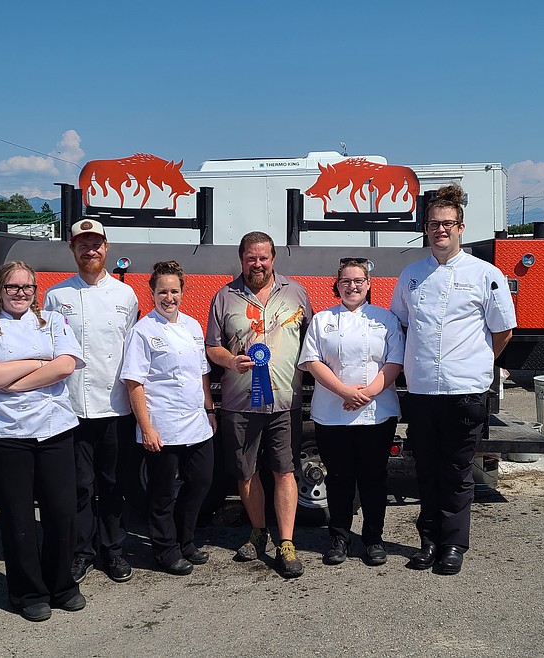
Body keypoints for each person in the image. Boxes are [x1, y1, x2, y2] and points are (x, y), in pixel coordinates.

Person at [389, 184, 516, 576]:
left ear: (461, 226)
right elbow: (402, 324)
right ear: (426, 230)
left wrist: (478, 363)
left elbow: (503, 331)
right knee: (424, 469)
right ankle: (427, 542)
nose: (440, 230)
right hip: (424, 389)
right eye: (433, 225)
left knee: (457, 472)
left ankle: (453, 545)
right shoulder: (411, 276)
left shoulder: (485, 274)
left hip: (465, 391)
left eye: (447, 224)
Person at [0, 260, 87, 621]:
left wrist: (10, 378)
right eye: (12, 287)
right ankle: (28, 592)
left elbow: (66, 365)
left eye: (27, 287)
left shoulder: (53, 322)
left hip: (55, 430)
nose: (21, 294)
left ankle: (62, 585)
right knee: (17, 517)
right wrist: (37, 362)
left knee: (61, 512)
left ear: (36, 290)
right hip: (5, 434)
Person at [206, 231, 313, 578]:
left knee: (285, 470)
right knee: (246, 471)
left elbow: (312, 341)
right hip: (240, 403)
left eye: (263, 257)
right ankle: (257, 531)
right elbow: (211, 346)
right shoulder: (224, 297)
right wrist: (229, 361)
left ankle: (286, 543)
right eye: (251, 258)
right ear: (241, 259)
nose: (257, 264)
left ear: (273, 258)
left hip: (285, 402)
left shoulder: (296, 292)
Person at [43, 219, 139, 586]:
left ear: (106, 248)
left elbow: (131, 353)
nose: (90, 250)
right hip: (71, 408)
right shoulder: (56, 296)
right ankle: (82, 552)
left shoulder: (125, 296)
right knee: (80, 485)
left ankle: (113, 549)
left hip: (115, 406)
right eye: (83, 244)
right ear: (73, 250)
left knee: (114, 483)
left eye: (96, 243)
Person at [298, 258, 404, 567]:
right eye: (346, 281)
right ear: (337, 285)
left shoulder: (386, 319)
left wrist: (366, 394)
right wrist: (346, 392)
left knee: (373, 477)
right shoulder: (322, 320)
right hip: (332, 412)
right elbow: (312, 361)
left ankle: (373, 539)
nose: (352, 286)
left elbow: (395, 362)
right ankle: (339, 538)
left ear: (369, 284)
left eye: (359, 281)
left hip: (377, 411)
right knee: (339, 478)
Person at [121, 260, 216, 576]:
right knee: (161, 494)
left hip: (196, 422)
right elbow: (134, 382)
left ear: (182, 292)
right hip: (162, 425)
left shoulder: (191, 326)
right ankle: (165, 551)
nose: (169, 297)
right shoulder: (142, 331)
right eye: (163, 291)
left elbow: (202, 372)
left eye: (174, 291)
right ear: (152, 292)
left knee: (201, 481)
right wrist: (146, 427)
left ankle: (185, 540)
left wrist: (210, 408)